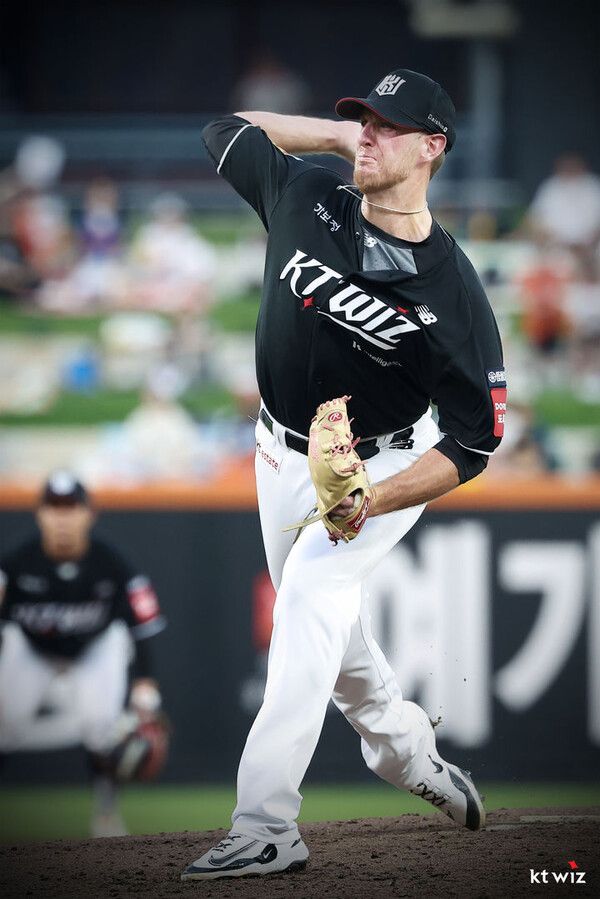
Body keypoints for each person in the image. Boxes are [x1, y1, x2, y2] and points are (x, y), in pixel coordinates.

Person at [183, 67, 506, 881]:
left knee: (308, 593)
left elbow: (475, 440)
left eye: (389, 126)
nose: (369, 133)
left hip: (380, 455)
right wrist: (336, 135)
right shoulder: (308, 195)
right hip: (278, 450)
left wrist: (374, 497)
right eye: (364, 119)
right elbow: (226, 129)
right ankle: (405, 751)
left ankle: (265, 823)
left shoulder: (451, 289)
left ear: (432, 148)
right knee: (332, 630)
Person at [0, 471, 166, 837]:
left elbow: (142, 625)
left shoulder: (113, 563)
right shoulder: (14, 565)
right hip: (34, 650)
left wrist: (145, 684)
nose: (62, 518)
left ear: (88, 514)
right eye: (54, 508)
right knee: (5, 725)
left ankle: (106, 814)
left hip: (93, 647)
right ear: (40, 515)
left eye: (71, 508)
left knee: (102, 728)